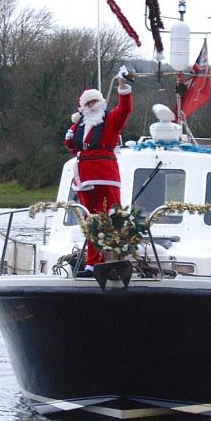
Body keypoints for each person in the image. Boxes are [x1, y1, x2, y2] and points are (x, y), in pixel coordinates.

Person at [64, 66, 133, 277]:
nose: (91, 106)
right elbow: (69, 144)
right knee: (91, 221)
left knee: (113, 217)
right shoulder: (80, 125)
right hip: (83, 177)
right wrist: (73, 124)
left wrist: (122, 87)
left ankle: (120, 258)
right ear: (83, 106)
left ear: (101, 102)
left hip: (105, 175)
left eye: (94, 101)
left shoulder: (110, 120)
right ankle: (93, 264)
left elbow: (125, 110)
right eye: (87, 103)